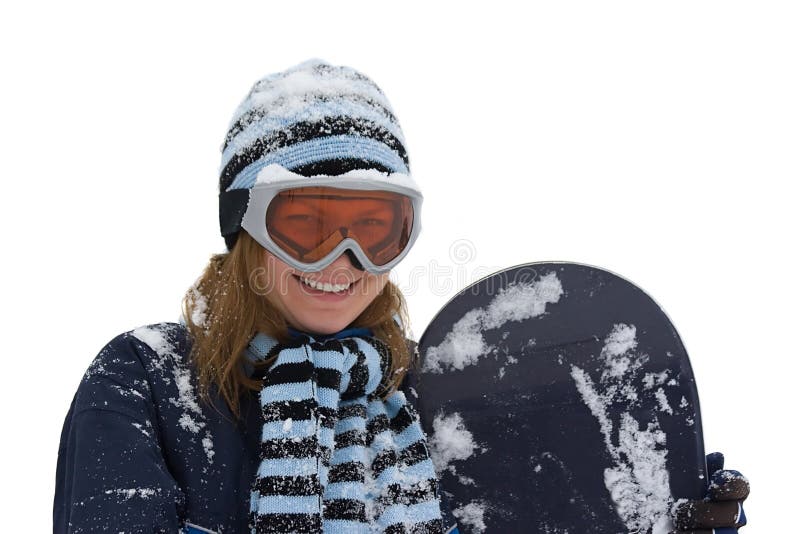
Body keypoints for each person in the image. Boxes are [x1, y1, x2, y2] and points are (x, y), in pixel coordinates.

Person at [53, 60, 748, 533]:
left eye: (374, 231)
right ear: (246, 229)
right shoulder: (147, 382)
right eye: (306, 225)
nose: (342, 261)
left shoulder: (431, 390)